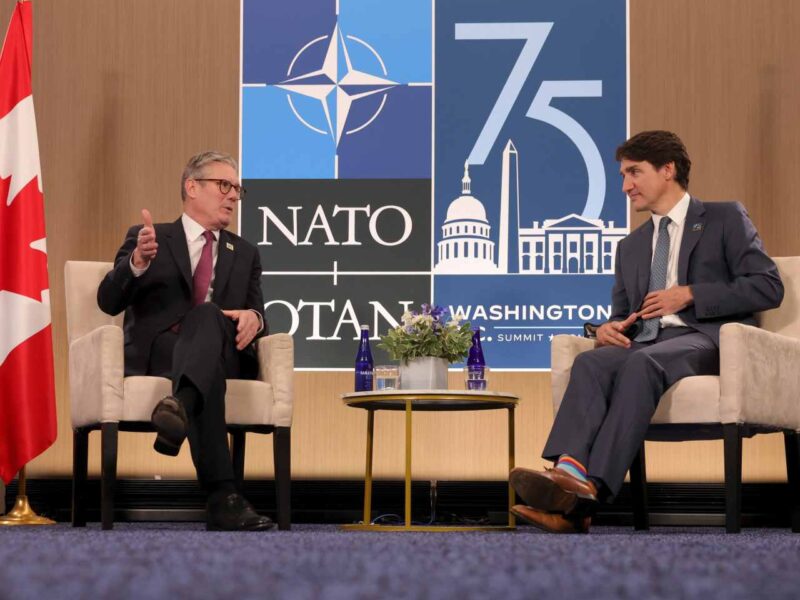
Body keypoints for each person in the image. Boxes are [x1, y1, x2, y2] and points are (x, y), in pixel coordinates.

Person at [509, 130, 784, 533]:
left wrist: (689, 294)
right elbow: (623, 313)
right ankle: (568, 469)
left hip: (706, 339)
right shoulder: (630, 246)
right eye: (622, 175)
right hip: (647, 340)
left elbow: (767, 286)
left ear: (668, 170)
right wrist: (605, 330)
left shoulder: (725, 218)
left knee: (641, 363)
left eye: (634, 172)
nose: (625, 186)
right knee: (591, 364)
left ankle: (586, 496)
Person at [97, 151, 273, 531]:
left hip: (225, 352)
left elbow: (261, 315)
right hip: (161, 353)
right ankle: (222, 498)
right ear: (192, 187)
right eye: (223, 185)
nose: (231, 196)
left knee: (210, 316)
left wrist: (253, 318)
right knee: (205, 364)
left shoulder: (245, 253)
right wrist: (136, 264)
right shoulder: (149, 238)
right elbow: (107, 301)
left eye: (237, 189)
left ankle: (178, 407)